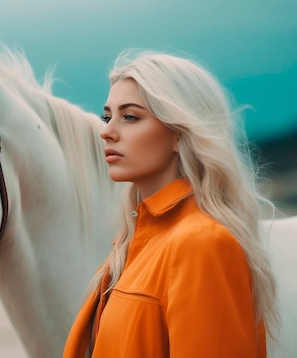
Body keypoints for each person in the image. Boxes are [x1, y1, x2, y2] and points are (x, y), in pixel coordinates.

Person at [63, 50, 279, 357]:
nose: (107, 131)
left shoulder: (202, 244)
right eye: (107, 116)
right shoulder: (132, 242)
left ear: (180, 134)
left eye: (130, 117)